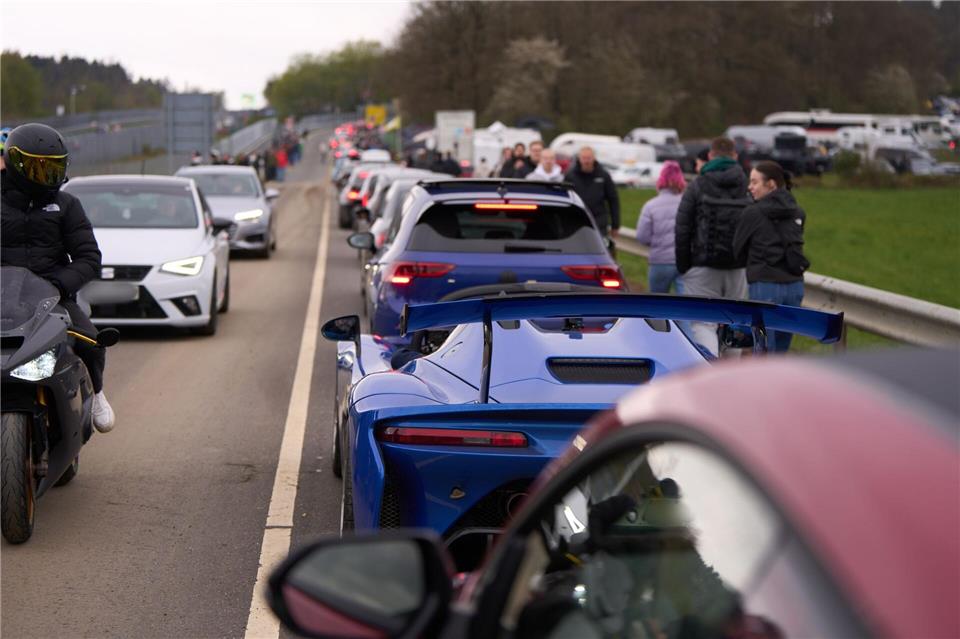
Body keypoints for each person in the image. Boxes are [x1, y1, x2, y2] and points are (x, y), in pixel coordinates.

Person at [1, 123, 115, 432]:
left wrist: (59, 284)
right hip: (1, 295)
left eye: (53, 168)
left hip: (51, 296)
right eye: (39, 168)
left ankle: (99, 393)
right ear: (16, 162)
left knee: (91, 341)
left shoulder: (67, 205)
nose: (47, 176)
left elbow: (89, 257)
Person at [674, 137, 750, 355]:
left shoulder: (698, 185)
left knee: (703, 324)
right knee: (734, 321)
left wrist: (684, 266)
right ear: (735, 156)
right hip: (737, 267)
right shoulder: (747, 185)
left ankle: (708, 367)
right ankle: (731, 377)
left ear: (710, 156)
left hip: (702, 265)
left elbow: (683, 227)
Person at [733, 161, 810, 352]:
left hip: (764, 287)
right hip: (794, 287)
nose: (750, 187)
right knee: (781, 352)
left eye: (754, 182)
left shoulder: (752, 213)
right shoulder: (798, 212)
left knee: (763, 350)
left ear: (772, 184)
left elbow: (738, 250)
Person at [636, 161, 686, 294]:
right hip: (684, 261)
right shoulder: (688, 203)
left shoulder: (650, 206)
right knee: (687, 306)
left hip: (659, 260)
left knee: (656, 305)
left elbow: (642, 236)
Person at [564, 146, 620, 237]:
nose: (586, 161)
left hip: (599, 222)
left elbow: (613, 200)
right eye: (584, 158)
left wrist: (615, 225)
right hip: (576, 221)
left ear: (594, 158)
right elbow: (565, 199)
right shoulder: (570, 176)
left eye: (589, 158)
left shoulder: (603, 175)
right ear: (579, 158)